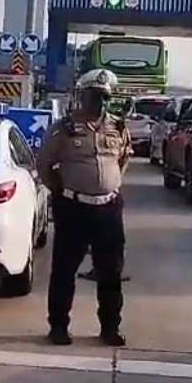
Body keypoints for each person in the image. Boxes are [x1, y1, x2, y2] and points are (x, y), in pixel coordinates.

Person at [38, 68, 132, 347]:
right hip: (74, 208)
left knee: (111, 272)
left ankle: (110, 328)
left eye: (104, 98)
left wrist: (108, 185)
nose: (99, 103)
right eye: (93, 97)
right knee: (64, 271)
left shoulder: (117, 127)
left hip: (108, 209)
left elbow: (122, 160)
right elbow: (44, 165)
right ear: (83, 98)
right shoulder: (64, 129)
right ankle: (58, 327)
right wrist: (61, 190)